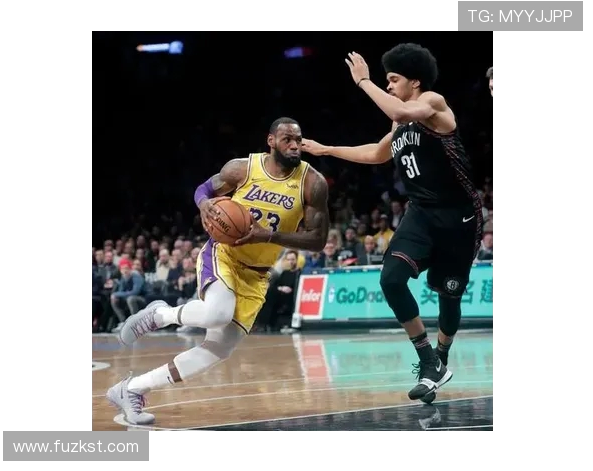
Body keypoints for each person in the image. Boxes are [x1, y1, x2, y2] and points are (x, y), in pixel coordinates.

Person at [106, 117, 330, 425]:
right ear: (271, 141)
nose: (295, 146)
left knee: (218, 349)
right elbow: (204, 189)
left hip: (257, 273)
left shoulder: (312, 183)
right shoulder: (243, 169)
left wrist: (269, 236)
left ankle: (131, 389)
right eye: (287, 140)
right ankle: (160, 315)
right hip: (224, 254)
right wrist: (203, 204)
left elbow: (318, 240)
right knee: (217, 313)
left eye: (298, 140)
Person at [302, 44, 483, 404]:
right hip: (421, 214)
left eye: (394, 79)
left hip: (458, 217)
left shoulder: (432, 102)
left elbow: (400, 108)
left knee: (449, 295)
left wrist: (363, 81)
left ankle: (441, 358)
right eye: (385, 80)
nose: (388, 85)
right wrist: (327, 150)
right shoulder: (399, 123)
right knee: (390, 279)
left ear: (415, 82)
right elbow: (376, 152)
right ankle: (428, 360)